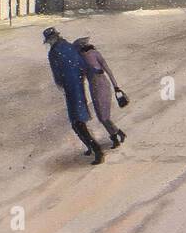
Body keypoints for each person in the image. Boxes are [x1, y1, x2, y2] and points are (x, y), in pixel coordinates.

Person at [43, 27, 103, 165]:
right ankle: (91, 147)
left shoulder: (53, 53)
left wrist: (61, 83)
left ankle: (96, 150)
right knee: (78, 119)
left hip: (71, 87)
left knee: (76, 122)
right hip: (77, 84)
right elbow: (81, 63)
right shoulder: (69, 46)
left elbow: (57, 73)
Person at [74, 37, 126, 148]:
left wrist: (116, 87)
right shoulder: (83, 58)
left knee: (103, 117)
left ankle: (116, 137)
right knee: (102, 117)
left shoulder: (93, 54)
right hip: (94, 88)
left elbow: (107, 70)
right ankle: (118, 134)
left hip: (101, 86)